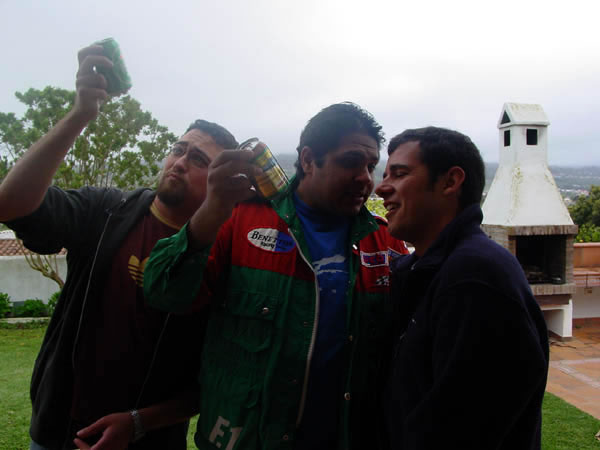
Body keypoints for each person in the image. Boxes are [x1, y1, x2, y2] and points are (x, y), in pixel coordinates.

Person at [0, 44, 249, 449]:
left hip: (150, 440)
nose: (179, 162)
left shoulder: (225, 254)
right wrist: (81, 114)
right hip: (59, 432)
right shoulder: (106, 211)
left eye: (199, 160)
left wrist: (137, 423)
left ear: (221, 181)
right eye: (178, 149)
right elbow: (11, 204)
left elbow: (212, 374)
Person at [144, 102, 408, 450]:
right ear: (308, 159)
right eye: (350, 162)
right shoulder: (237, 221)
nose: (366, 179)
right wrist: (212, 208)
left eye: (371, 166)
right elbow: (163, 292)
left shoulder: (386, 243)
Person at [374, 126, 549, 449]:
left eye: (399, 174)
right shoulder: (427, 270)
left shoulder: (475, 277)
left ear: (450, 182)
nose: (381, 188)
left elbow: (461, 427)